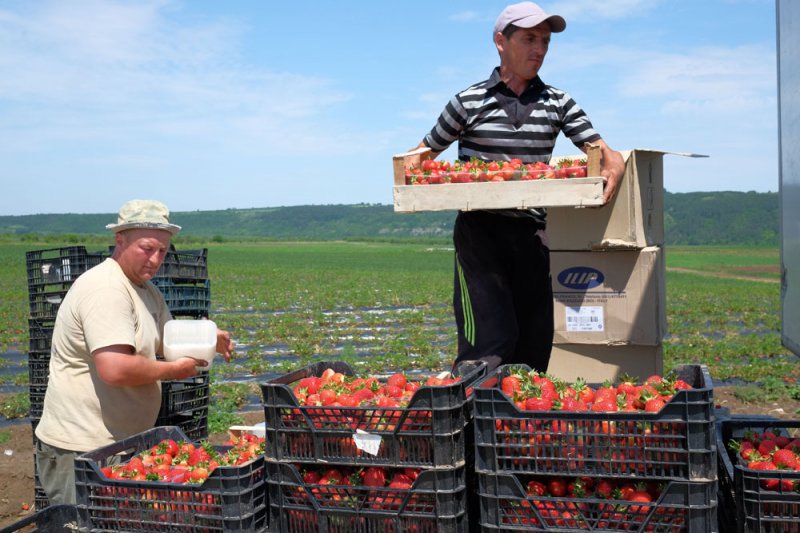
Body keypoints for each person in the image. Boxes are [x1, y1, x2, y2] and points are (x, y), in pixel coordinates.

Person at [413, 2, 625, 372]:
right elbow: (422, 156)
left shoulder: (559, 103)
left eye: (544, 41)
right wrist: (415, 175)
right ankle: (478, 419)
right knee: (490, 341)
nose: (539, 49)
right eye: (529, 39)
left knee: (535, 340)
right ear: (500, 41)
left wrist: (612, 162)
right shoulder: (468, 102)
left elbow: (603, 153)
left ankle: (519, 425)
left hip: (533, 233)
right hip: (481, 234)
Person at [34, 199, 234, 505]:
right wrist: (173, 370)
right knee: (83, 524)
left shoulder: (145, 288)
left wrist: (207, 337)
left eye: (162, 251)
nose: (155, 259)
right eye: (147, 248)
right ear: (120, 240)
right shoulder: (106, 290)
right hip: (82, 451)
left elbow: (168, 339)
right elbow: (114, 368)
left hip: (120, 445)